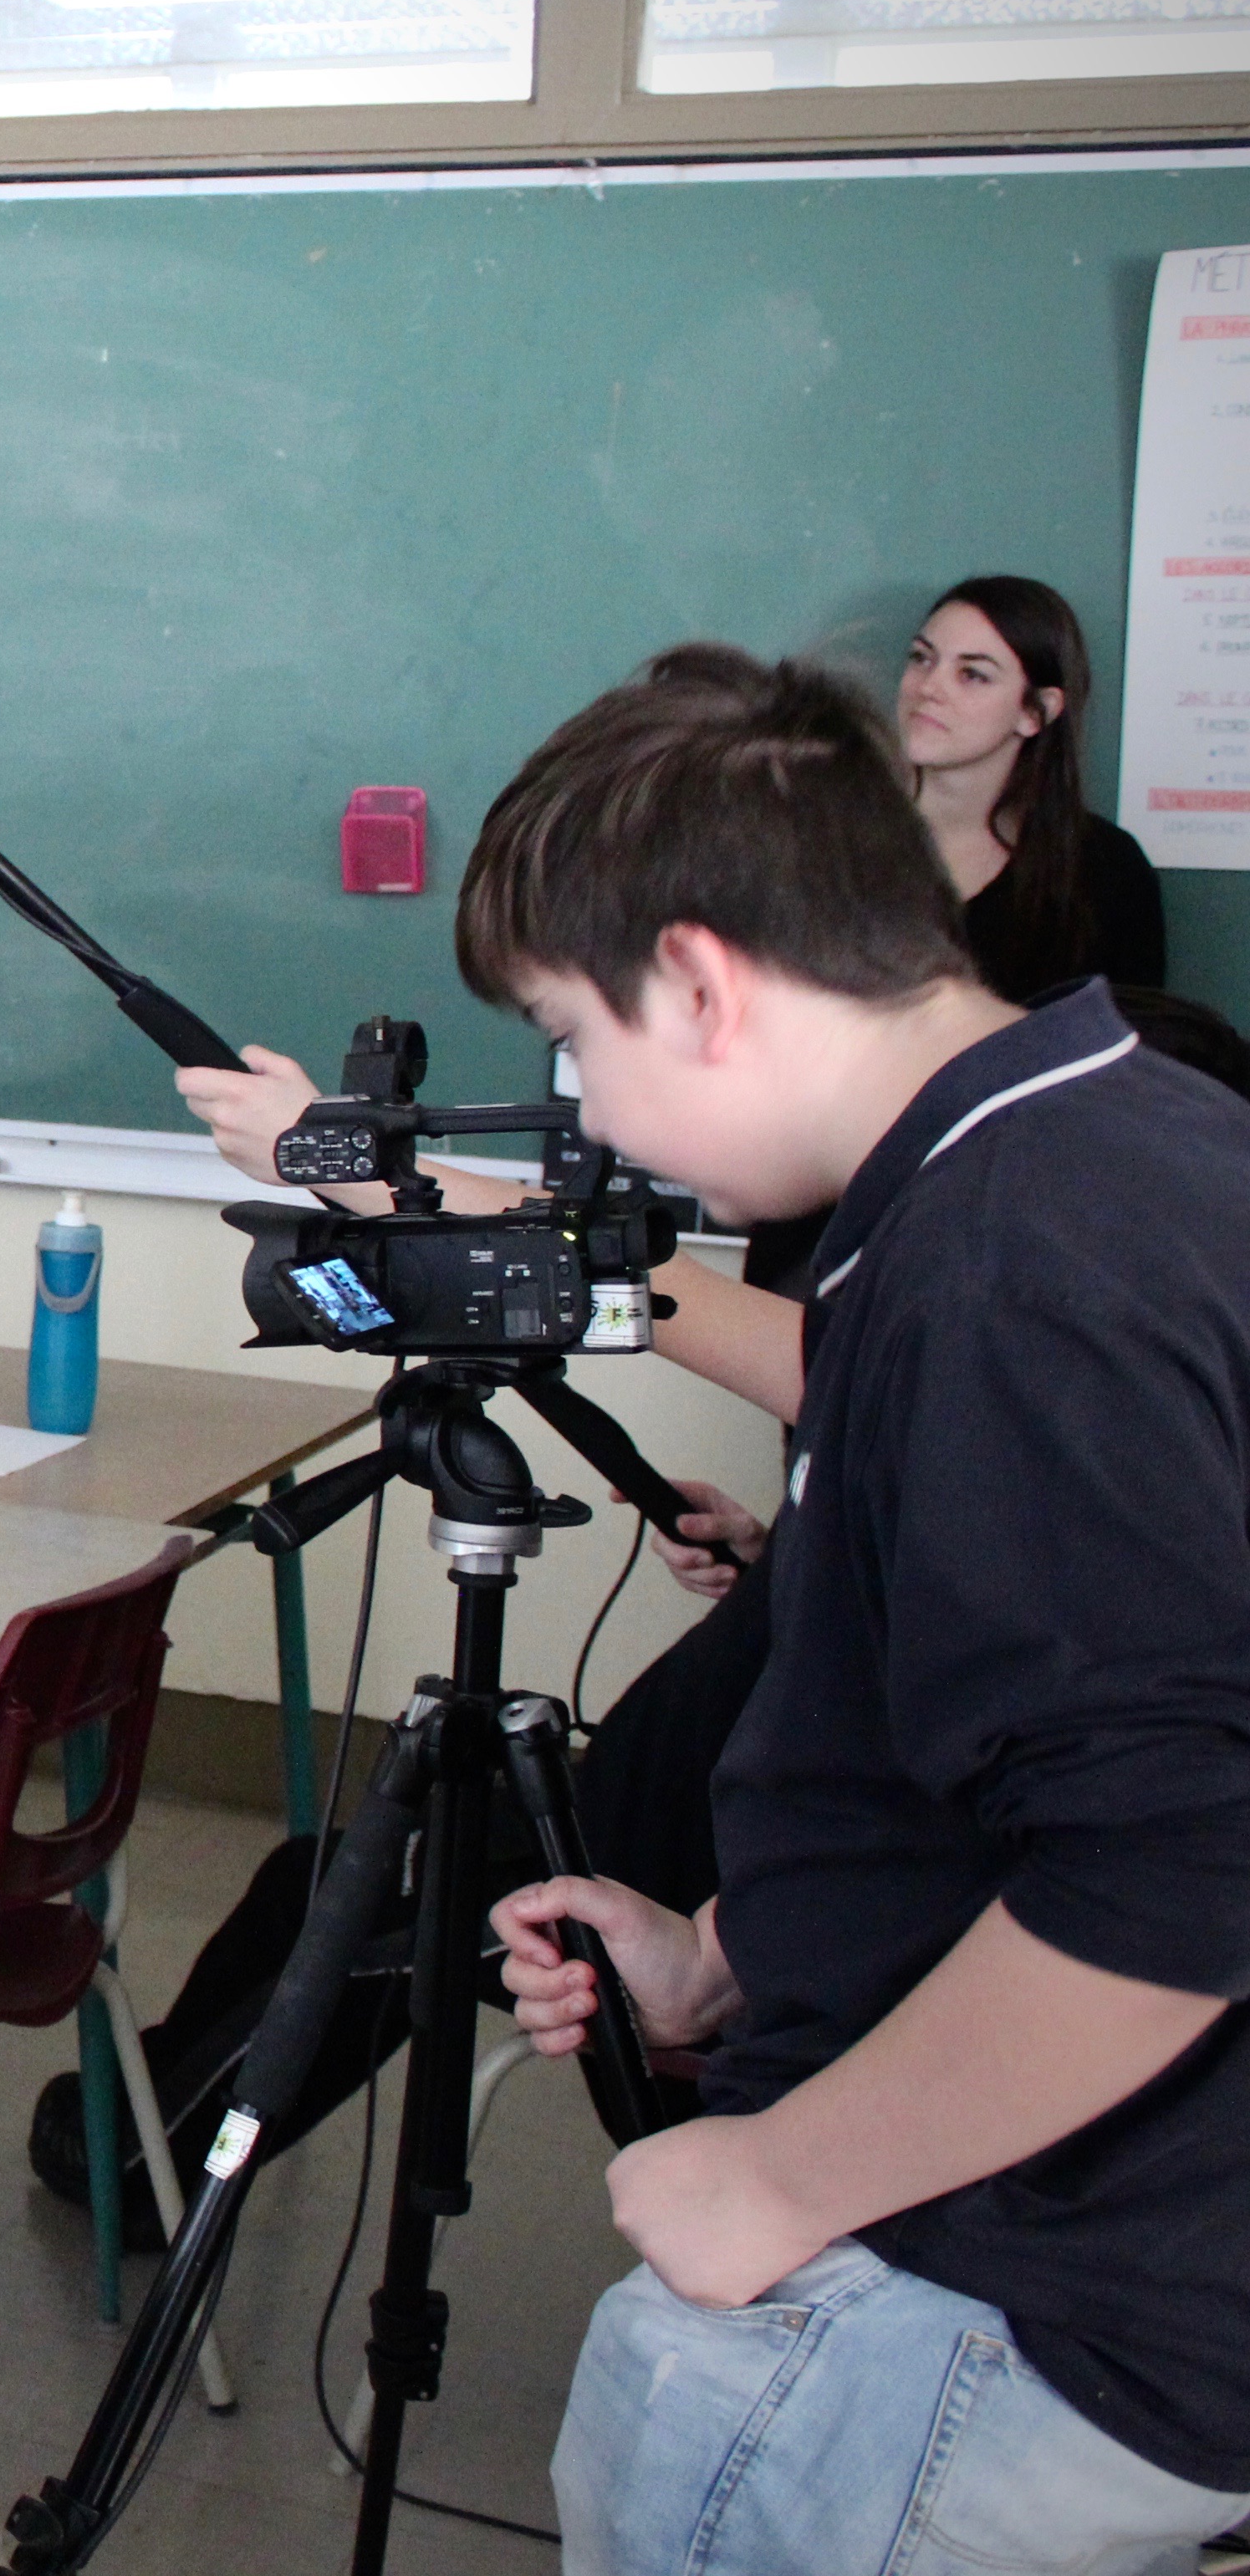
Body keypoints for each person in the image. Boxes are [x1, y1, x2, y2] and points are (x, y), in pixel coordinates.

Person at [471, 650, 1250, 2573]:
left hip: (1036, 2282)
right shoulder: (1094, 1137)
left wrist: (769, 2171)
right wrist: (731, 1955)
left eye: (576, 1030)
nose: (585, 1097)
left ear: (703, 978)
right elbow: (1027, 1742)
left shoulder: (1015, 1271)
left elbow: (1171, 1871)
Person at [904, 573, 1163, 1001]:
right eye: (920, 658)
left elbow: (1127, 1053)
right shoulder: (832, 843)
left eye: (972, 674)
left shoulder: (1106, 872)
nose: (928, 687)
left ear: (1037, 712)